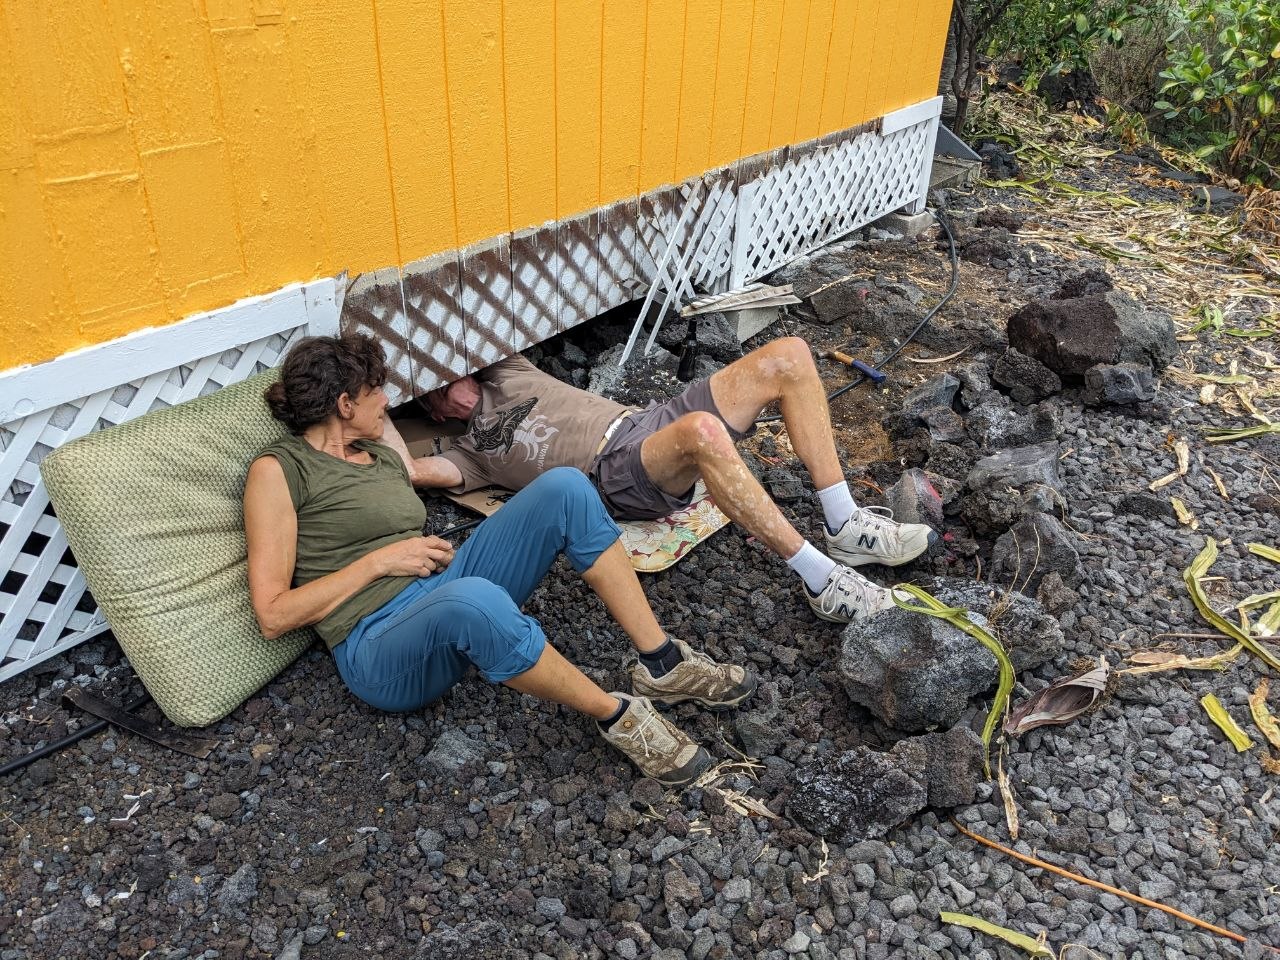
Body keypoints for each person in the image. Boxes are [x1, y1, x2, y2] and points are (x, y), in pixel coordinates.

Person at [243, 334, 756, 787]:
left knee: (565, 487)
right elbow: (272, 615)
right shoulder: (279, 471)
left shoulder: (377, 455)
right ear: (345, 403)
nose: (389, 400)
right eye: (377, 389)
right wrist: (380, 561)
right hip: (377, 647)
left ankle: (661, 662)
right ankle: (619, 716)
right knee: (474, 598)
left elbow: (416, 480)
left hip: (439, 589)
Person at [386, 337, 937, 624]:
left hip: (644, 422)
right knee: (702, 433)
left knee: (787, 357)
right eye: (433, 392)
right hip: (612, 477)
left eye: (448, 375)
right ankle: (823, 580)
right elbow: (408, 471)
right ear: (433, 414)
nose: (448, 386)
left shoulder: (506, 369)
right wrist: (380, 412)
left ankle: (844, 522)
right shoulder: (469, 453)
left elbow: (468, 331)